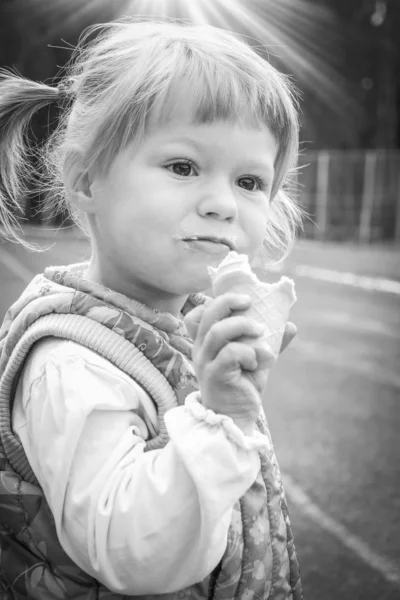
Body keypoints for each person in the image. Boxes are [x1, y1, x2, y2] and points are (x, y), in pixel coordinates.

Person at [0, 18, 304, 600]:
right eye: (183, 167)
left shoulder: (181, 320)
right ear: (88, 182)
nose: (221, 204)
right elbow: (135, 556)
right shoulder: (72, 365)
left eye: (249, 180)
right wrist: (224, 416)